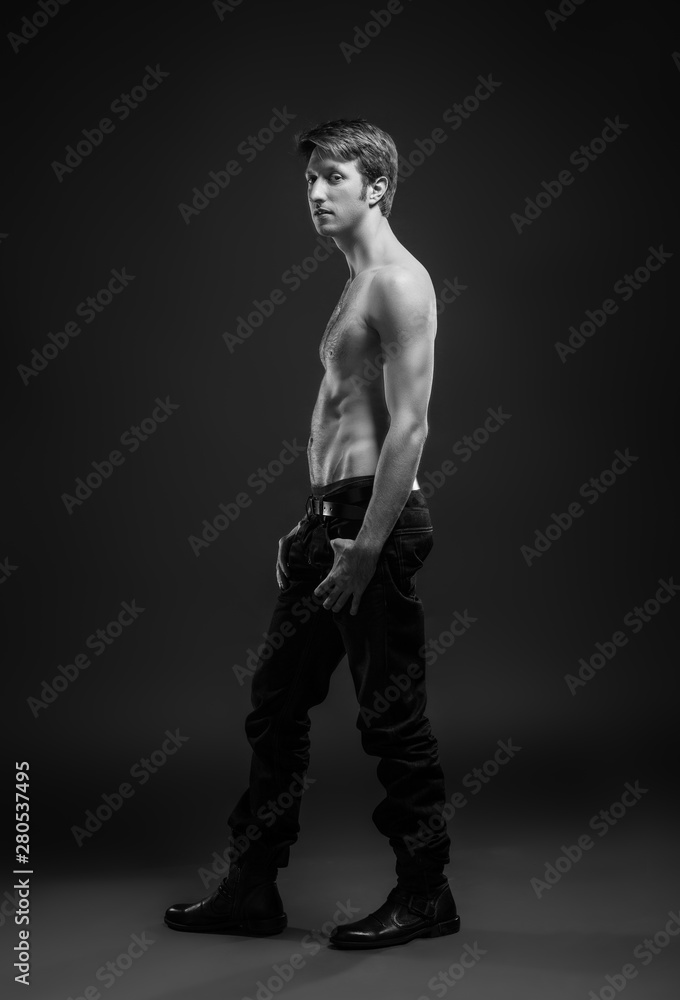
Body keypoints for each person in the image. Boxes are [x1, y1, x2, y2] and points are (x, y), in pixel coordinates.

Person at [164, 118, 459, 949]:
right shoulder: (357, 281)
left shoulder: (397, 283)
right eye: (310, 180)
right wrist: (313, 522)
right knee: (276, 709)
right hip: (332, 523)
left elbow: (409, 429)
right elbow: (343, 421)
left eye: (335, 177)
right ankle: (251, 890)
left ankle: (427, 894)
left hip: (372, 527)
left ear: (378, 186)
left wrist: (365, 546)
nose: (318, 193)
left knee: (390, 718)